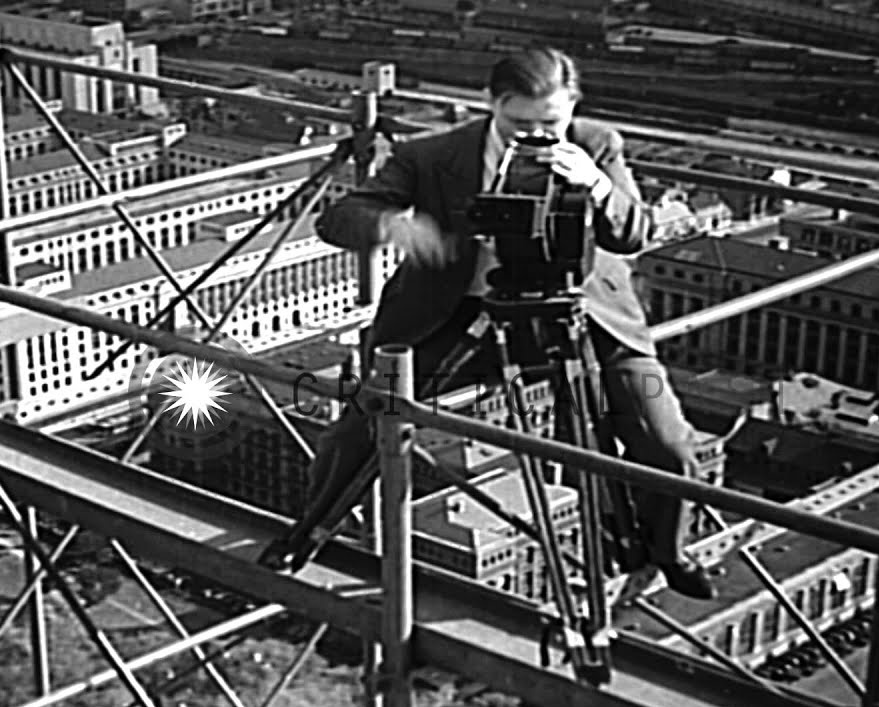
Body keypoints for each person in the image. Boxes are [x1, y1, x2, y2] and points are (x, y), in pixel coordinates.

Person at [261, 47, 717, 601]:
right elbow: (339, 217)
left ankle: (668, 551)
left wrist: (595, 184)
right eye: (519, 124)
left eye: (551, 123)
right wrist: (395, 226)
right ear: (492, 105)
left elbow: (634, 233)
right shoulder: (433, 155)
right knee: (365, 425)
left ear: (573, 106)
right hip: (461, 317)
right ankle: (312, 530)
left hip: (581, 316)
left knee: (665, 439)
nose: (535, 135)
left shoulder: (598, 143)